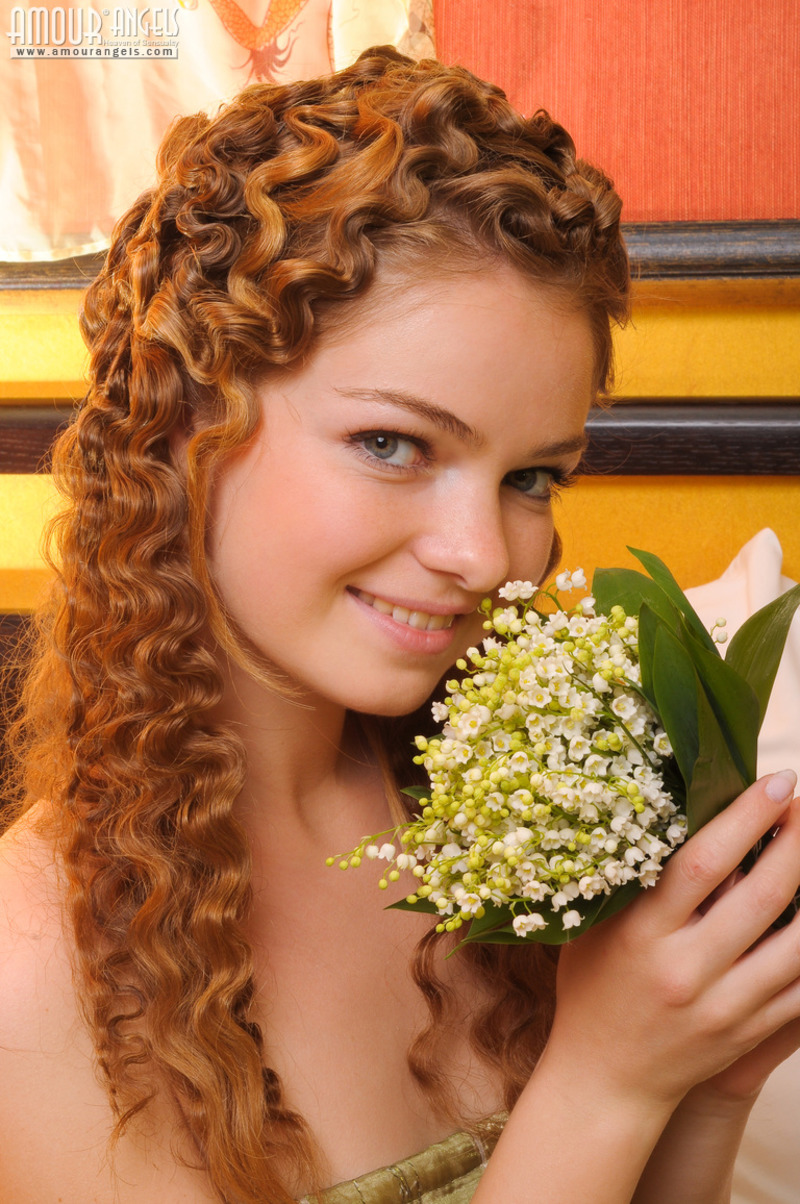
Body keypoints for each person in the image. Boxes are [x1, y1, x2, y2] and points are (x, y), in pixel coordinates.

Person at [0, 45, 798, 1204]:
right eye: (392, 445)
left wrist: (703, 1080)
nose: (483, 555)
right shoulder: (34, 976)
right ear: (184, 421)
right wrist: (603, 1081)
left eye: (531, 478)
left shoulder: (505, 813)